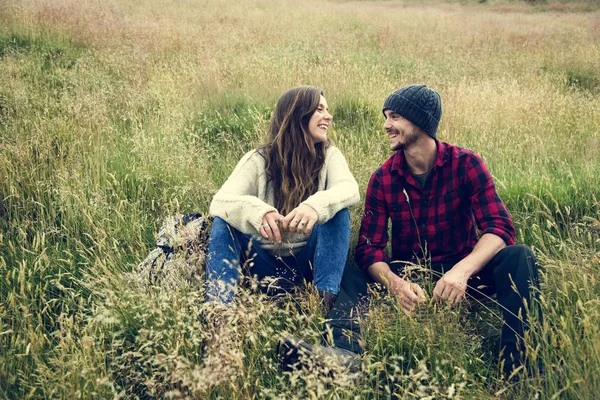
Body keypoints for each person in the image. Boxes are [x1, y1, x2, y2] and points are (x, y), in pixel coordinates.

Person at [325, 84, 541, 378]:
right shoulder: (383, 178)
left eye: (395, 117)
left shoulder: (466, 164)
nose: (386, 125)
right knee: (352, 272)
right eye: (386, 117)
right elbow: (369, 247)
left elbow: (499, 227)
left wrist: (462, 272)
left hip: (465, 272)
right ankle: (342, 355)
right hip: (410, 275)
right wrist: (395, 284)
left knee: (520, 257)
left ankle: (521, 367)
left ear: (421, 121)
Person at [205, 86, 360, 310]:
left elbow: (349, 189)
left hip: (309, 264)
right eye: (320, 109)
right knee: (223, 221)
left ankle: (322, 305)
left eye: (328, 110)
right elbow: (220, 202)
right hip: (259, 263)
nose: (329, 116)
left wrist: (315, 206)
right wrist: (258, 211)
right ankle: (219, 312)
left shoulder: (330, 156)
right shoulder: (258, 159)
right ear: (298, 114)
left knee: (338, 214)